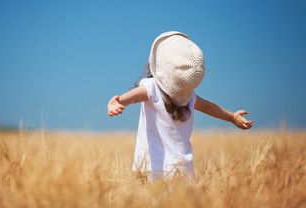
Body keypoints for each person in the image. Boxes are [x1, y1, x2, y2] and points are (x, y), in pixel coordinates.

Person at [107, 31, 253, 182]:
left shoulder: (151, 87)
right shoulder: (188, 96)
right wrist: (232, 117)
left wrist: (117, 102)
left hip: (154, 168)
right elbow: (208, 107)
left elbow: (134, 96)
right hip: (184, 169)